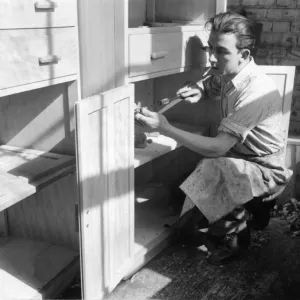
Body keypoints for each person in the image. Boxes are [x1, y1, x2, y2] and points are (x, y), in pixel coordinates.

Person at [135, 12, 292, 265]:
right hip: (239, 159)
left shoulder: (257, 91)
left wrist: (165, 127)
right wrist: (199, 89)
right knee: (180, 192)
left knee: (211, 170)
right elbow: (213, 85)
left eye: (221, 51)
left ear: (244, 55)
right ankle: (254, 210)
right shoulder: (231, 73)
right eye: (210, 48)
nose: (210, 57)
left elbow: (218, 148)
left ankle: (236, 238)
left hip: (265, 170)